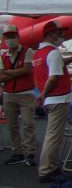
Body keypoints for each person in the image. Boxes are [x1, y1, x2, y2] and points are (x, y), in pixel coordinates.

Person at [33, 20, 72, 184]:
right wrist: (43, 94)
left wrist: (69, 60)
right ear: (51, 34)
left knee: (52, 134)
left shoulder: (38, 53)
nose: (62, 36)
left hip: (50, 99)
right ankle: (46, 169)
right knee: (53, 136)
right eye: (59, 33)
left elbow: (51, 70)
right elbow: (53, 77)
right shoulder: (53, 52)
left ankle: (51, 166)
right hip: (58, 97)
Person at [0, 24, 37, 166]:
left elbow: (27, 70)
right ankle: (18, 152)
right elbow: (0, 78)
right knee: (12, 125)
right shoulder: (3, 56)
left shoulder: (27, 51)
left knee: (28, 123)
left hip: (26, 93)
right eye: (7, 36)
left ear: (18, 36)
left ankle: (30, 152)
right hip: (9, 94)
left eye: (12, 36)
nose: (10, 39)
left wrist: (8, 72)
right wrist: (17, 72)